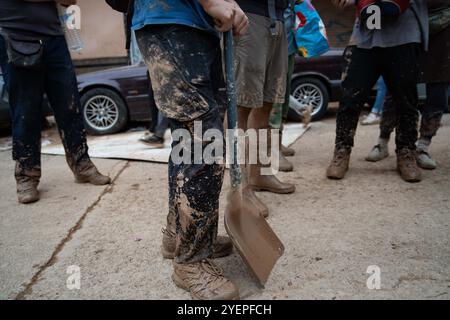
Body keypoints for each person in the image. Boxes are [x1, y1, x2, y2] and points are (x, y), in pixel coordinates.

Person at [130, 0, 248, 300]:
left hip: (193, 26)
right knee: (204, 143)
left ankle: (178, 236)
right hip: (170, 21)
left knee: (188, 140)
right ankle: (191, 261)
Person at [0, 0, 111, 204]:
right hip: (14, 35)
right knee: (25, 111)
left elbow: (70, 1)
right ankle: (26, 175)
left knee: (70, 106)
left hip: (54, 37)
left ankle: (82, 165)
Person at [327, 0, 428, 183]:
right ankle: (341, 151)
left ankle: (406, 153)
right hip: (366, 37)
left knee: (406, 101)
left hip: (403, 34)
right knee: (350, 97)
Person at [366, 0, 450, 169]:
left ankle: (422, 147)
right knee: (396, 85)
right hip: (408, 24)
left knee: (437, 89)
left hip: (443, 27)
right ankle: (382, 142)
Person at [233, 0, 294, 219]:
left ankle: (259, 174)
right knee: (241, 105)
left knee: (268, 102)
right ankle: (240, 188)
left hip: (278, 17)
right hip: (247, 13)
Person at [268, 0, 297, 172]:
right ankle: (271, 149)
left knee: (284, 96)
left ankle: (277, 142)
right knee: (274, 100)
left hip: (288, 43)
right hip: (272, 39)